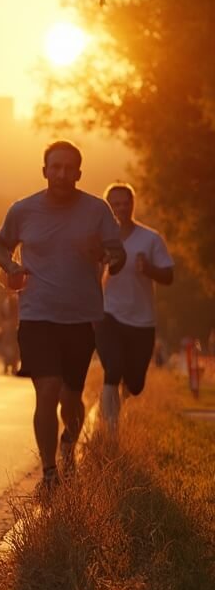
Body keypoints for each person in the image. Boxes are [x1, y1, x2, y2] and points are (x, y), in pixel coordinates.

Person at [0, 140, 126, 491]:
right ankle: (50, 472)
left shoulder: (96, 210)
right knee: (47, 391)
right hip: (37, 316)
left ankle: (70, 444)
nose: (63, 174)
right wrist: (10, 265)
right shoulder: (23, 210)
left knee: (71, 399)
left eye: (70, 168)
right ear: (44, 170)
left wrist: (113, 257)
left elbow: (117, 251)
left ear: (79, 173)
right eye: (56, 167)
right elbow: (0, 243)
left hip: (81, 318)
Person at [97, 182, 174, 426]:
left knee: (135, 383)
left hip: (141, 319)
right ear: (108, 208)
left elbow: (168, 276)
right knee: (113, 367)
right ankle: (109, 427)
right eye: (115, 204)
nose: (120, 208)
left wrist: (148, 269)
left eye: (125, 203)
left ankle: (122, 396)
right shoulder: (99, 240)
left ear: (133, 204)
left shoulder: (150, 238)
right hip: (107, 313)